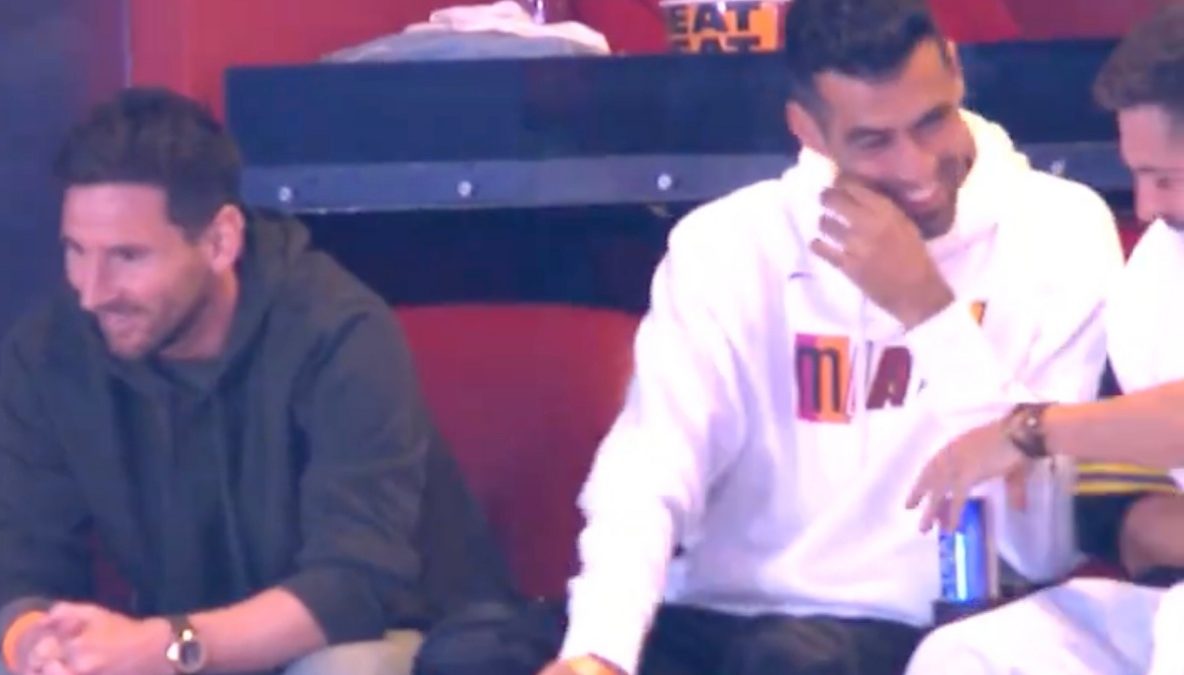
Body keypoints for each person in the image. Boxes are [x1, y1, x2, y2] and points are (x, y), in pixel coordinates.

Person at [412, 0, 1124, 674]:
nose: (916, 168)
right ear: (806, 129)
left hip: (914, 625)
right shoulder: (728, 242)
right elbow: (650, 468)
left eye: (932, 121)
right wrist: (599, 652)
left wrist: (928, 313)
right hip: (715, 612)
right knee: (471, 654)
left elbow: (1043, 540)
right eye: (874, 141)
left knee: (790, 660)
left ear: (956, 71)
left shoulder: (1059, 229)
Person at [0, 87, 512, 675]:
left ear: (220, 241)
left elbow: (352, 587)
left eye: (127, 257)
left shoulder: (340, 332)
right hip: (170, 645)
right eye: (76, 251)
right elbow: (21, 562)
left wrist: (166, 646)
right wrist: (36, 643)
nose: (92, 292)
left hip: (384, 637)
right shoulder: (46, 352)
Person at [904, 4, 1184, 673]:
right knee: (968, 653)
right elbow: (1123, 487)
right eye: (1137, 175)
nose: (1146, 205)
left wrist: (1029, 430)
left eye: (1166, 179)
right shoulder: (1157, 273)